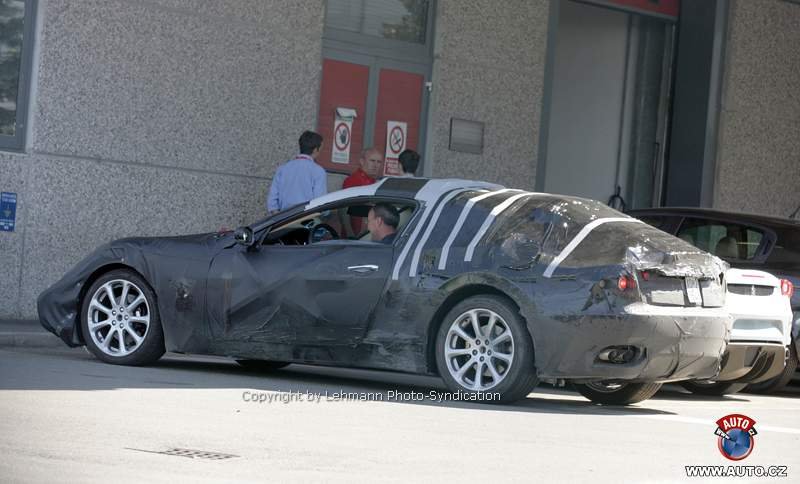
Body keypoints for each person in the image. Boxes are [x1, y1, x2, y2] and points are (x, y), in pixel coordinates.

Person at [266, 131, 327, 213]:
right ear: (316, 149)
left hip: (283, 220)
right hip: (307, 220)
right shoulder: (318, 171)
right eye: (321, 149)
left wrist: (280, 220)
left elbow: (272, 202)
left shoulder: (283, 169)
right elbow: (320, 204)